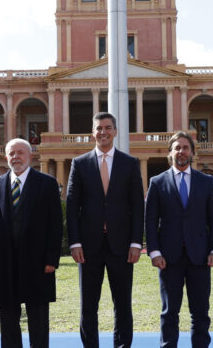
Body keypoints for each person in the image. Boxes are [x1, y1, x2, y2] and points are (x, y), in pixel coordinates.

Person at [66, 112, 144, 348]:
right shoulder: (79, 164)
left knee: (122, 305)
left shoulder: (130, 164)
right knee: (88, 305)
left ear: (115, 131)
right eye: (99, 128)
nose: (103, 132)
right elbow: (72, 205)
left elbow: (137, 206)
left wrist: (136, 243)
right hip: (88, 248)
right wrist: (75, 242)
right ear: (93, 132)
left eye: (108, 128)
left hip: (121, 247)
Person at [0, 138, 63, 347]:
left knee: (38, 319)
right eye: (11, 153)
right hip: (5, 263)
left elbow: (55, 225)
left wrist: (52, 259)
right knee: (8, 320)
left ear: (30, 156)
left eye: (20, 152)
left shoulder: (47, 184)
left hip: (38, 263)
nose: (16, 157)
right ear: (6, 157)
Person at [145, 131, 213, 347]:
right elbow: (150, 221)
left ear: (192, 152)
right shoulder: (157, 182)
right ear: (170, 153)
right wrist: (155, 252)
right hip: (168, 259)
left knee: (200, 313)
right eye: (177, 147)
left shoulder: (206, 182)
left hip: (200, 257)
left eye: (185, 147)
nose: (181, 151)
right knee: (169, 312)